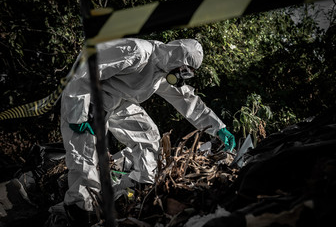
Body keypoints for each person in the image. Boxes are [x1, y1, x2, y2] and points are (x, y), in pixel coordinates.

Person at [60, 38, 236, 225]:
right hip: (89, 100)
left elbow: (188, 100)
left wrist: (219, 128)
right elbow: (87, 68)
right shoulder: (138, 52)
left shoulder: (162, 72)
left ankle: (140, 187)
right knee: (87, 155)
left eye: (188, 74)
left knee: (148, 136)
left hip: (119, 103)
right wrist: (77, 112)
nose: (182, 77)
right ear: (177, 58)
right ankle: (79, 209)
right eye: (184, 71)